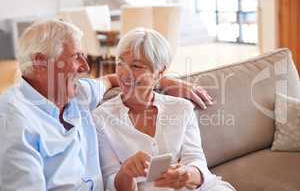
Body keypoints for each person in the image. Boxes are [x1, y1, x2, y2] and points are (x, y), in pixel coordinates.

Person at [0, 20, 212, 190]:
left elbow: (112, 79)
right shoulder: (13, 123)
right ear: (40, 62)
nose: (85, 67)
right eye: (76, 57)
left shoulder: (78, 92)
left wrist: (161, 80)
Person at [93, 28, 236, 191]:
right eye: (120, 63)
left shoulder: (182, 108)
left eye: (136, 66)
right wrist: (126, 172)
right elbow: (109, 182)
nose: (125, 74)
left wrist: (187, 174)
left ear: (159, 72)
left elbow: (196, 160)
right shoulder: (101, 118)